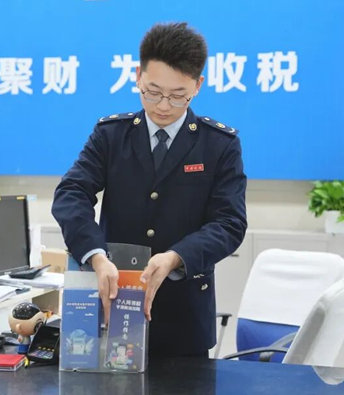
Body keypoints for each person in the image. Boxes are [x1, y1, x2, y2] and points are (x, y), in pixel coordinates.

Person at [52, 22, 247, 357]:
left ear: (198, 85)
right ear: (137, 76)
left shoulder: (218, 145)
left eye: (178, 96)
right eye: (152, 92)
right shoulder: (112, 135)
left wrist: (176, 257)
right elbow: (72, 193)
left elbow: (229, 223)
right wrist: (95, 255)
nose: (163, 106)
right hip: (114, 306)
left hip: (184, 319)